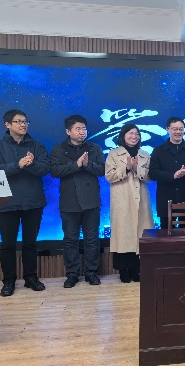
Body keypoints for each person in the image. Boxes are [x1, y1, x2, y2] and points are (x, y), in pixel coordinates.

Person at [0, 109, 50, 296]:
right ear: (7, 125)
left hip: (33, 202)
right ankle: (9, 280)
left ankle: (31, 277)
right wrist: (17, 165)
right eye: (18, 121)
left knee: (31, 243)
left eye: (25, 121)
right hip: (7, 203)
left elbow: (45, 168)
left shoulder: (37, 146)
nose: (23, 124)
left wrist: (31, 164)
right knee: (7, 244)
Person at [50, 115, 105, 288]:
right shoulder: (58, 150)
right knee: (70, 239)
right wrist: (76, 165)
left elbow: (102, 170)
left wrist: (87, 164)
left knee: (92, 238)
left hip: (91, 200)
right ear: (68, 131)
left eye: (84, 129)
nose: (82, 132)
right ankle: (72, 274)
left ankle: (91, 272)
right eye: (78, 129)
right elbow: (54, 171)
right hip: (69, 200)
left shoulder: (94, 148)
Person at [105, 124, 153, 283]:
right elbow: (109, 176)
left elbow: (149, 177)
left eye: (137, 134)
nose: (134, 136)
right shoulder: (113, 154)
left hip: (141, 200)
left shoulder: (145, 154)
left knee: (140, 236)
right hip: (122, 200)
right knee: (123, 236)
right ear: (123, 135)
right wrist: (126, 168)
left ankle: (136, 270)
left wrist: (137, 168)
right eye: (131, 133)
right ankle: (123, 271)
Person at [149, 117, 185, 229]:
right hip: (166, 199)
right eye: (175, 129)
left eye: (181, 129)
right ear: (167, 129)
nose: (178, 132)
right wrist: (172, 175)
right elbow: (153, 173)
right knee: (166, 233)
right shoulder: (158, 151)